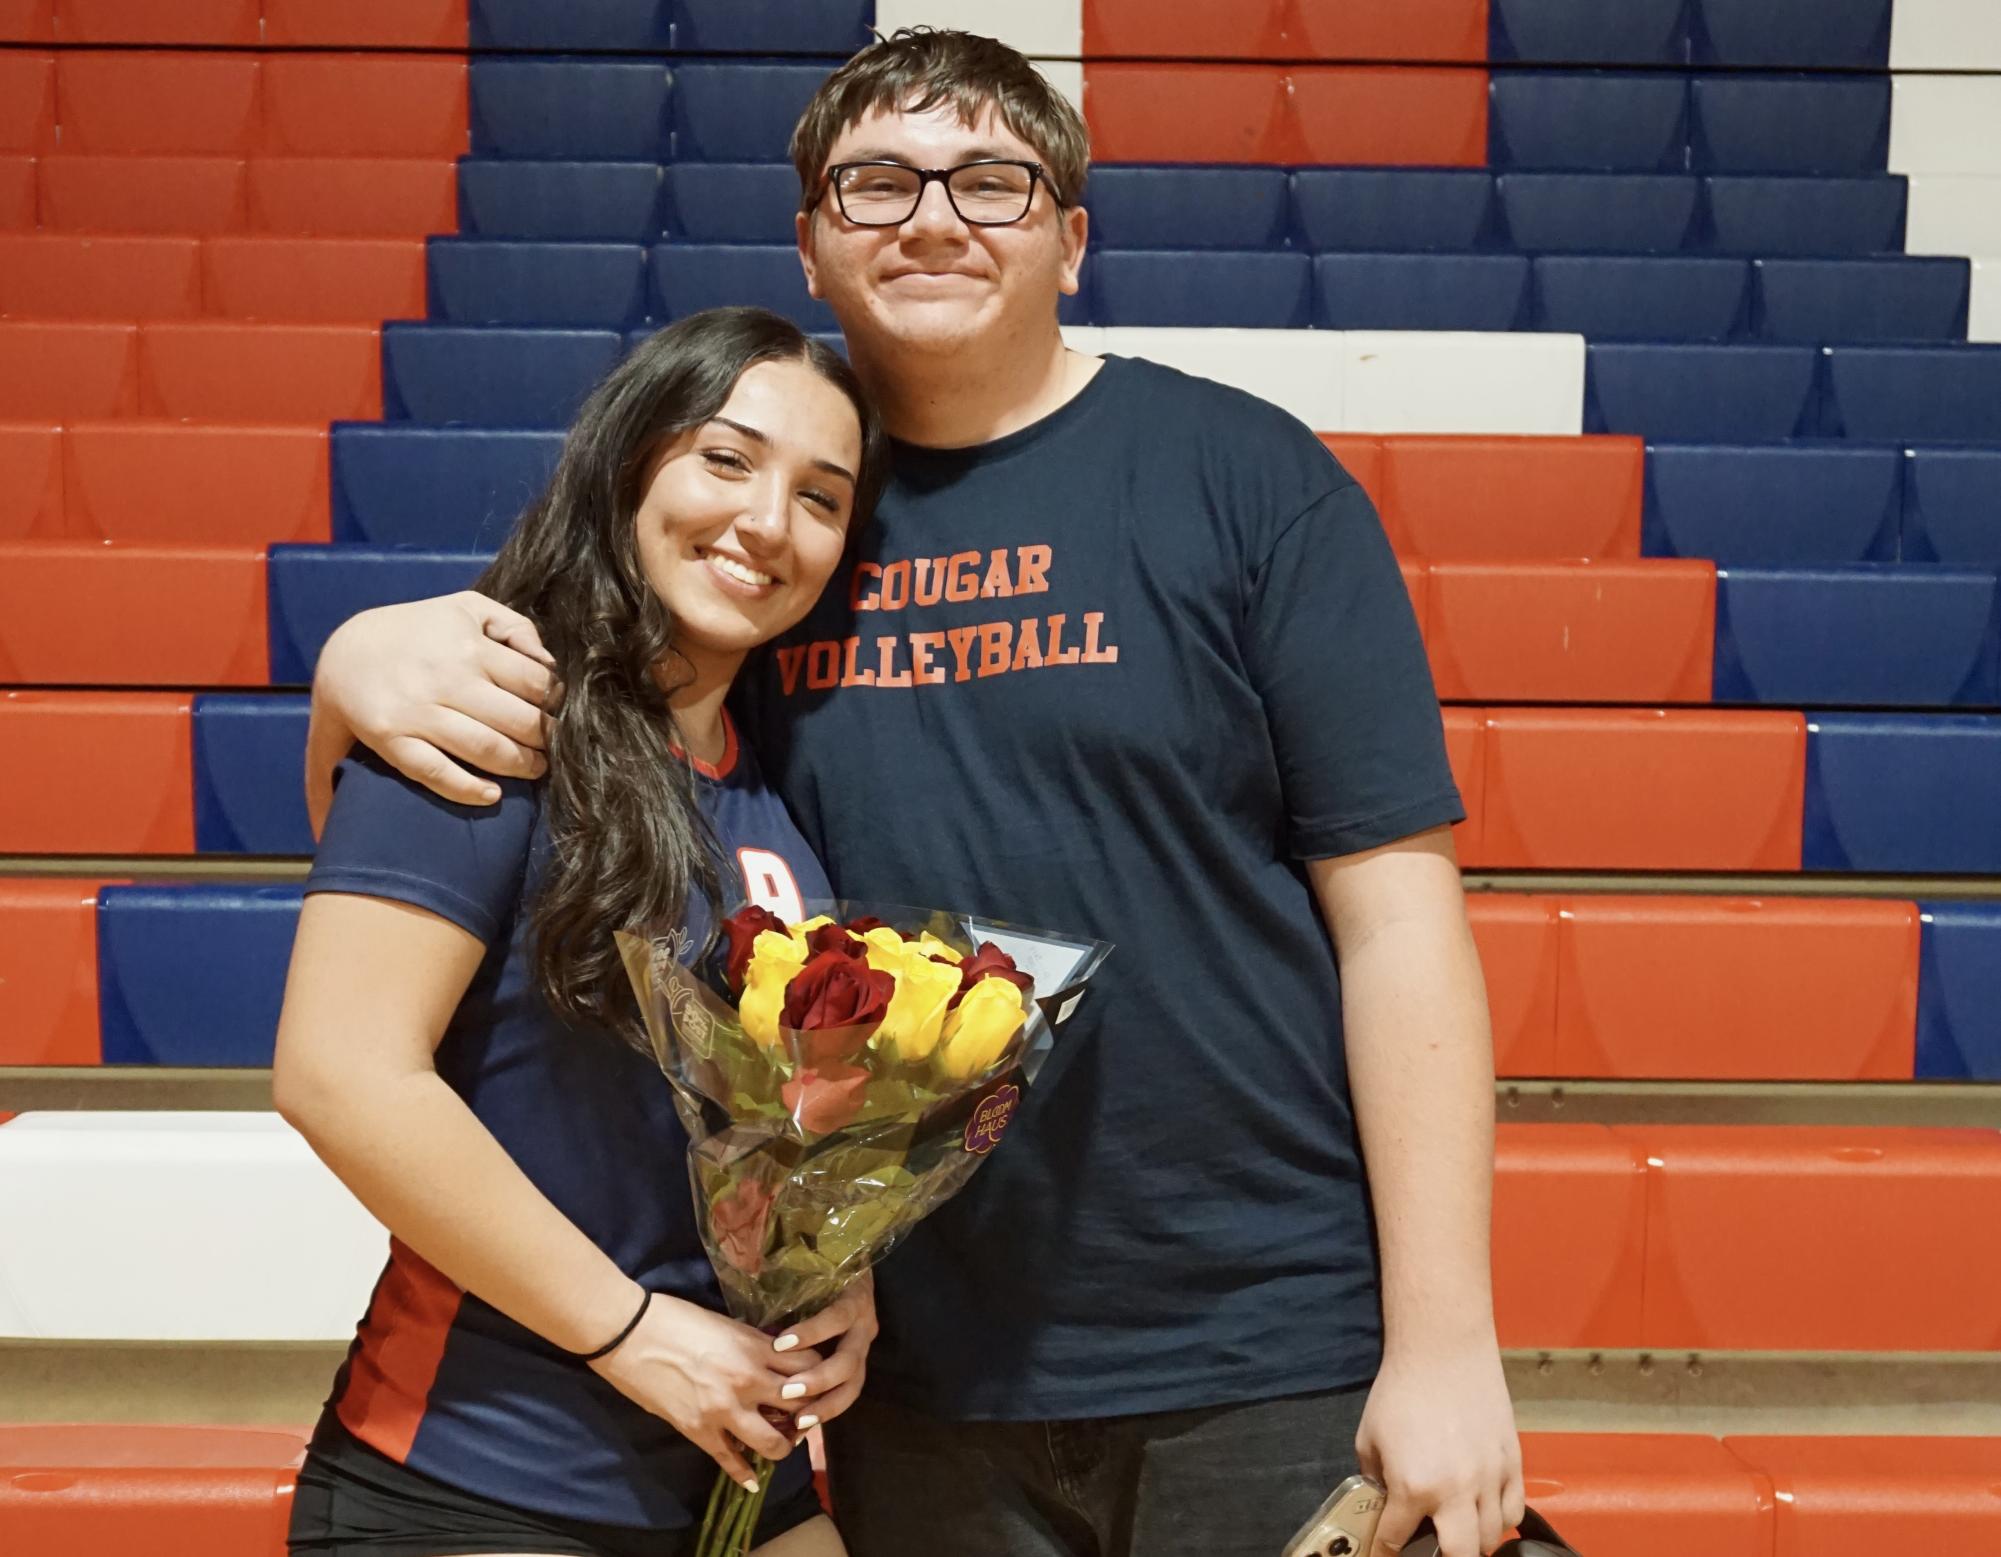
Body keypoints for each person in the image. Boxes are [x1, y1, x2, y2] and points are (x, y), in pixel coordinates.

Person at [302, 30, 1524, 1557]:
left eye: (993, 182)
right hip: (903, 1381)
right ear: (811, 241)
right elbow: (537, 784)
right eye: (876, 181)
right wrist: (354, 665)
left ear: (1071, 238)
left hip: (1257, 1348)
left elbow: (1401, 924)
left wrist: (1447, 1338)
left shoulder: (1246, 479)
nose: (931, 217)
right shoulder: (781, 539)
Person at [274, 307, 890, 1557]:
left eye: (821, 499)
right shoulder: (478, 709)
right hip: (478, 1483)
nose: (769, 523)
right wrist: (630, 1330)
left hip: (729, 1463)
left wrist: (841, 1276)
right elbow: (340, 1076)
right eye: (725, 459)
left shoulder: (774, 791)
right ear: (629, 458)